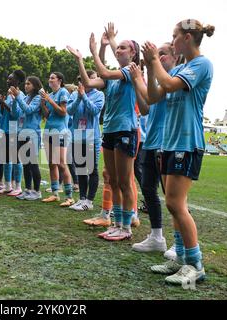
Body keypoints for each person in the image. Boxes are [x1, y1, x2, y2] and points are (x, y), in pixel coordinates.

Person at [142, 19, 215, 286]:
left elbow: (171, 85)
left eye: (174, 37)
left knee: (175, 203)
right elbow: (152, 98)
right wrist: (151, 67)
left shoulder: (201, 65)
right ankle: (181, 258)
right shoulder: (181, 67)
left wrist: (155, 62)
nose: (171, 41)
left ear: (186, 38)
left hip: (187, 143)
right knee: (172, 205)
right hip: (171, 144)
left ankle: (195, 264)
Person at [67, 22, 145, 241]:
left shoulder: (131, 71)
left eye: (123, 47)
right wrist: (82, 60)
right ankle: (117, 223)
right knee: (113, 179)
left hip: (125, 130)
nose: (118, 49)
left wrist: (95, 51)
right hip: (110, 131)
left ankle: (126, 227)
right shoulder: (114, 78)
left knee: (124, 180)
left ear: (133, 54)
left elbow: (102, 70)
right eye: (117, 47)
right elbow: (90, 80)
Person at [129, 43, 179, 257]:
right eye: (157, 54)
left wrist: (147, 71)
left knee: (173, 198)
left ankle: (181, 243)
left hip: (168, 142)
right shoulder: (159, 80)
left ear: (175, 57)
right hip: (151, 142)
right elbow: (147, 105)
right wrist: (138, 80)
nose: (159, 57)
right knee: (149, 189)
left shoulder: (175, 78)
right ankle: (157, 237)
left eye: (163, 54)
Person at [67, 71, 105, 211]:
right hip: (78, 135)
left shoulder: (99, 95)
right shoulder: (73, 94)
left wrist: (83, 96)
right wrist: (78, 97)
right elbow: (69, 111)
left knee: (91, 170)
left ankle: (89, 201)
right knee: (81, 169)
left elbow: (94, 111)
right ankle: (82, 198)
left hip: (91, 135)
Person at [40, 72, 75, 207]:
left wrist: (49, 100)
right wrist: (43, 104)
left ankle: (69, 197)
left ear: (59, 80)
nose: (50, 80)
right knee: (51, 163)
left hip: (60, 132)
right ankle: (55, 194)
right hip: (49, 130)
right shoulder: (52, 94)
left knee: (61, 164)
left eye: (52, 78)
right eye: (49, 77)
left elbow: (62, 112)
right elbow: (48, 115)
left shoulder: (63, 92)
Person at [11, 76, 44, 201]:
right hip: (22, 133)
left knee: (33, 163)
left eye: (28, 84)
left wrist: (18, 97)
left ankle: (37, 191)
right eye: (25, 84)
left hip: (32, 134)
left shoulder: (37, 98)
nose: (26, 86)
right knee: (25, 163)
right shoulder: (25, 97)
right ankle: (28, 190)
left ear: (35, 85)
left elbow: (29, 110)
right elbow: (16, 113)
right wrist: (15, 100)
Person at [0, 70, 26, 196]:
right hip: (4, 129)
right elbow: (3, 114)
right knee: (5, 159)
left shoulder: (21, 95)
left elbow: (16, 114)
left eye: (10, 79)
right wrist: (1, 104)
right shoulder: (8, 94)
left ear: (17, 81)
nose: (8, 81)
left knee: (16, 159)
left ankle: (17, 187)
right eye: (7, 79)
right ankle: (8, 186)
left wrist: (3, 103)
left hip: (14, 130)